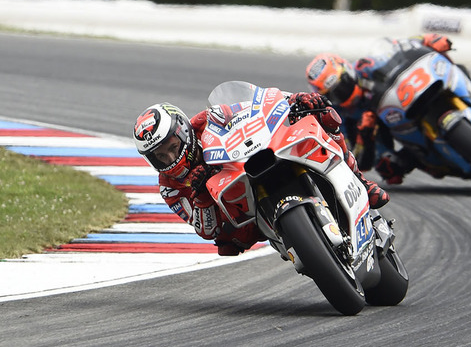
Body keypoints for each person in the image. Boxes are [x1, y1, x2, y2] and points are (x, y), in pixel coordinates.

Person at [133, 91, 390, 256]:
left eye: (172, 148)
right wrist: (201, 196)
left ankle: (359, 181)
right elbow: (206, 230)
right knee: (227, 243)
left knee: (319, 116)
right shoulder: (170, 186)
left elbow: (257, 105)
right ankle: (303, 246)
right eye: (159, 156)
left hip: (247, 163)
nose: (168, 158)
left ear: (182, 132)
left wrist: (294, 101)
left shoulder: (210, 118)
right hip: (239, 219)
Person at [305, 34, 471, 185]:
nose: (342, 94)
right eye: (334, 94)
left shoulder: (366, 66)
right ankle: (435, 159)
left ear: (348, 71)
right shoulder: (343, 115)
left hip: (407, 95)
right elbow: (357, 159)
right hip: (393, 128)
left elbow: (401, 47)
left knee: (454, 68)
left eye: (343, 85)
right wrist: (365, 135)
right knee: (389, 168)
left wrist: (428, 41)